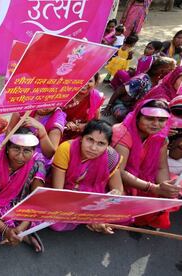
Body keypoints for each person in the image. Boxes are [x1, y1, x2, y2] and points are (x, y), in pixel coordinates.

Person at [112, 99, 180, 229]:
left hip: (142, 179)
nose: (155, 124)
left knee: (172, 188)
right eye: (150, 119)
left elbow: (161, 167)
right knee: (118, 207)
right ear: (138, 117)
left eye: (161, 120)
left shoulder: (161, 137)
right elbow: (118, 171)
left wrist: (164, 189)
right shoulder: (122, 133)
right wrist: (154, 188)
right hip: (115, 179)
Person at [51, 120, 124, 233]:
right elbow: (58, 192)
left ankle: (91, 221)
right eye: (90, 140)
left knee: (120, 213)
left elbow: (118, 189)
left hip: (93, 197)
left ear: (108, 146)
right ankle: (88, 221)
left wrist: (112, 197)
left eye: (101, 144)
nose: (93, 148)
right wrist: (89, 216)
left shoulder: (111, 156)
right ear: (81, 138)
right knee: (56, 223)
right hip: (67, 194)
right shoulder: (66, 149)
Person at [103, 57, 176, 122]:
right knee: (127, 118)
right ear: (162, 71)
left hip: (136, 108)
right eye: (171, 70)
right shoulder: (140, 81)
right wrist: (108, 107)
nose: (172, 73)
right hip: (122, 105)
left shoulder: (160, 82)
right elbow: (119, 91)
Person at [0, 108, 66, 168]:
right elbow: (10, 130)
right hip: (13, 140)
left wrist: (42, 130)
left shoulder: (57, 119)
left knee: (33, 163)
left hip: (38, 150)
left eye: (52, 102)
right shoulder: (26, 104)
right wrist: (9, 148)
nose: (44, 106)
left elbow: (50, 154)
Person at [62, 74, 104, 140]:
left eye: (90, 81)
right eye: (81, 80)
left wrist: (84, 126)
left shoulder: (96, 97)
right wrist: (64, 122)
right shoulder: (63, 94)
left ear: (95, 83)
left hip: (82, 135)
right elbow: (50, 114)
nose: (85, 83)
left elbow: (96, 121)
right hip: (59, 131)